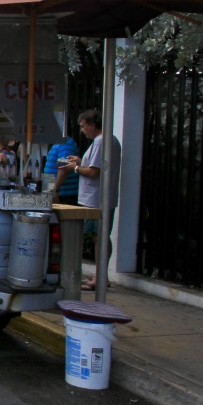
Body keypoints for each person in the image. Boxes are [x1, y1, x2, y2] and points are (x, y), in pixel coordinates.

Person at [62, 109, 121, 290]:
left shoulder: (101, 142)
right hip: (101, 197)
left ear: (92, 124)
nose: (82, 130)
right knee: (99, 236)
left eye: (83, 126)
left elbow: (94, 172)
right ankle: (100, 276)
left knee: (95, 236)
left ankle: (97, 277)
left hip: (95, 199)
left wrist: (74, 168)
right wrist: (80, 162)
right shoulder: (110, 140)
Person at [45, 134, 80, 205]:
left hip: (65, 194)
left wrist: (54, 190)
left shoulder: (65, 143)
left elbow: (63, 169)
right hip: (58, 192)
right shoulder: (57, 143)